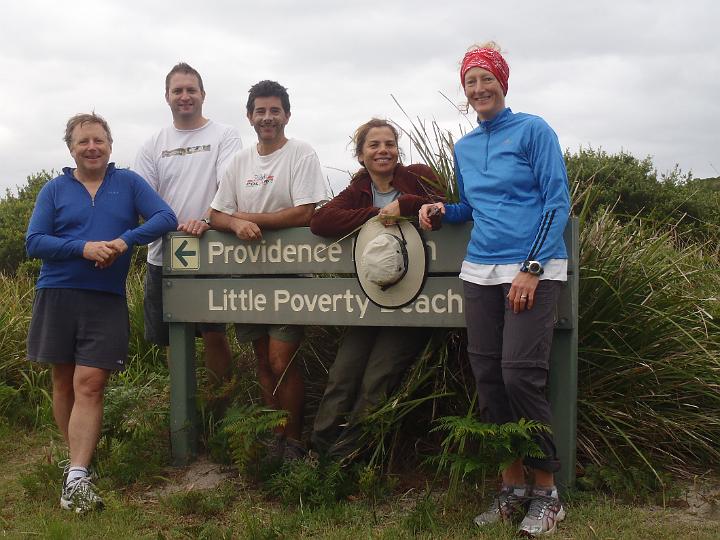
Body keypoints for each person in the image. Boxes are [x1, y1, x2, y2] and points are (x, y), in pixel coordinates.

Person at [419, 42, 570, 537]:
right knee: (487, 378)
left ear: (504, 83)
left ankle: (547, 492)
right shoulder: (464, 146)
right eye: (471, 83)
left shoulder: (534, 130)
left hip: (532, 271)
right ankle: (511, 487)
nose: (479, 89)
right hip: (479, 271)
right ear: (464, 92)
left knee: (520, 377)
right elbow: (470, 206)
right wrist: (443, 211)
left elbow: (556, 203)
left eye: (487, 80)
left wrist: (532, 265)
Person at [25, 113, 177, 513]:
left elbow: (165, 218)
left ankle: (75, 474)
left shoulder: (127, 183)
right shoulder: (54, 189)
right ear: (71, 149)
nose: (91, 147)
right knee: (63, 382)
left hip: (105, 297)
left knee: (90, 383)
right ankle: (77, 468)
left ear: (110, 144)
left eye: (98, 140)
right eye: (82, 142)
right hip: (56, 292)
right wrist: (84, 248)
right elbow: (34, 241)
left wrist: (126, 241)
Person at [210, 80, 329, 460]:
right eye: (260, 111)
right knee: (262, 360)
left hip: (289, 277)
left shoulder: (301, 154)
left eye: (274, 111)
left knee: (282, 360)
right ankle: (275, 436)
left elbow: (305, 211)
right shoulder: (239, 162)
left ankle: (294, 440)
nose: (267, 118)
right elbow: (216, 213)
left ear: (287, 115)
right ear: (249, 116)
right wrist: (234, 224)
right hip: (247, 277)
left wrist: (244, 217)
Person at [310, 118, 440, 459]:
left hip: (416, 299)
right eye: (374, 145)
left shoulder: (419, 176)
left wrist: (407, 206)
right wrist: (376, 213)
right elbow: (321, 220)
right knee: (343, 374)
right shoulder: (358, 189)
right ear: (361, 155)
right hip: (371, 297)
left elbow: (441, 207)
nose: (383, 150)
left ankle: (349, 458)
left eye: (389, 144)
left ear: (398, 150)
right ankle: (321, 453)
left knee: (377, 379)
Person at [134, 62, 243, 384]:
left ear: (203, 95)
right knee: (173, 337)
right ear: (166, 96)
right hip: (163, 253)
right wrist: (169, 224)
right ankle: (185, 415)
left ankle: (220, 409)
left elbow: (229, 187)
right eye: (177, 91)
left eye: (190, 90)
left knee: (214, 333)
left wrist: (207, 221)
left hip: (211, 249)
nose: (185, 96)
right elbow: (142, 198)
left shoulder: (225, 135)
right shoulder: (152, 144)